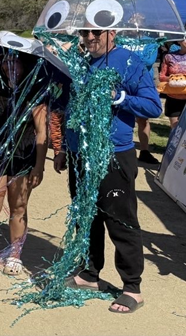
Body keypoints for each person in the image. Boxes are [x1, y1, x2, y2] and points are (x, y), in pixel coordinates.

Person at [54, 27, 160, 314]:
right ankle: (89, 273)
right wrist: (65, 146)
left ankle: (132, 288)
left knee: (120, 220)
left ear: (111, 32)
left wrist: (120, 98)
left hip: (114, 153)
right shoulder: (81, 64)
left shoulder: (130, 61)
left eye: (96, 32)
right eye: (85, 32)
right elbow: (72, 108)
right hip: (80, 154)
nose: (90, 37)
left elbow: (153, 106)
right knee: (85, 217)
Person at [0, 51, 48, 275]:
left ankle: (15, 255)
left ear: (26, 63)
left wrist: (39, 165)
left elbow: (42, 131)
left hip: (24, 152)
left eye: (16, 60)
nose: (10, 65)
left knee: (19, 207)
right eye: (6, 60)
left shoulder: (34, 90)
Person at [159, 42, 186, 132]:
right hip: (173, 98)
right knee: (175, 129)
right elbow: (161, 77)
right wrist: (173, 78)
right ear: (180, 41)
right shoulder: (169, 56)